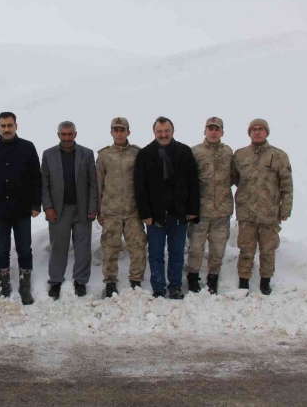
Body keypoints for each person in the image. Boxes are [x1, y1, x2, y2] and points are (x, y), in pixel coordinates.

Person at [0, 112, 41, 305]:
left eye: (9, 125)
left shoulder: (27, 147)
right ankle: (4, 285)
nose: (6, 129)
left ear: (16, 126)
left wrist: (36, 204)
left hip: (22, 209)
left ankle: (24, 286)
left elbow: (36, 178)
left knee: (24, 249)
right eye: (3, 126)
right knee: (1, 250)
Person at [134, 116, 200, 299]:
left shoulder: (184, 152)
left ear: (173, 131)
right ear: (154, 133)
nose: (163, 135)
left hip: (179, 213)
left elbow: (193, 183)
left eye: (166, 131)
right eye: (159, 131)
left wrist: (192, 210)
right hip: (155, 215)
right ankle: (159, 288)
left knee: (177, 253)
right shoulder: (145, 154)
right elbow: (140, 187)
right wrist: (145, 214)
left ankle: (175, 286)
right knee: (155, 254)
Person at [232, 119, 293, 295]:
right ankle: (243, 282)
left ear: (266, 132)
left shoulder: (279, 156)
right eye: (254, 129)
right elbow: (233, 179)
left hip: (270, 213)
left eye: (261, 129)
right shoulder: (240, 155)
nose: (257, 132)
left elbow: (287, 185)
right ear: (249, 133)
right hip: (246, 213)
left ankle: (265, 282)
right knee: (245, 249)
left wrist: (285, 209)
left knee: (268, 250)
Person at [41, 121, 97, 299]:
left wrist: (92, 207)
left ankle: (80, 281)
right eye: (63, 134)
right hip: (59, 209)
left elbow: (92, 183)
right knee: (58, 246)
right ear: (58, 135)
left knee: (83, 247)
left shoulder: (86, 154)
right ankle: (55, 281)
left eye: (69, 134)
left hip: (81, 210)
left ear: (75, 134)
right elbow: (45, 184)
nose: (66, 138)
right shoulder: (48, 155)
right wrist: (48, 206)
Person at [96, 117, 146, 298]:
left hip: (133, 211)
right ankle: (110, 283)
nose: (119, 133)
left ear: (128, 132)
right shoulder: (104, 155)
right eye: (115, 130)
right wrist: (98, 210)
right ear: (111, 132)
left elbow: (143, 183)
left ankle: (136, 281)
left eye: (122, 130)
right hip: (111, 212)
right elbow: (99, 183)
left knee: (138, 247)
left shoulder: (137, 154)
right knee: (110, 249)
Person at [185, 117, 234, 295]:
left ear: (222, 132)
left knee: (218, 247)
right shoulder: (195, 152)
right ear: (204, 131)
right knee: (196, 247)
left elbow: (234, 177)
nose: (213, 132)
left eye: (217, 129)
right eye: (210, 128)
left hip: (222, 210)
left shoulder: (228, 152)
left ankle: (213, 277)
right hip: (200, 211)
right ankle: (192, 277)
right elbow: (188, 180)